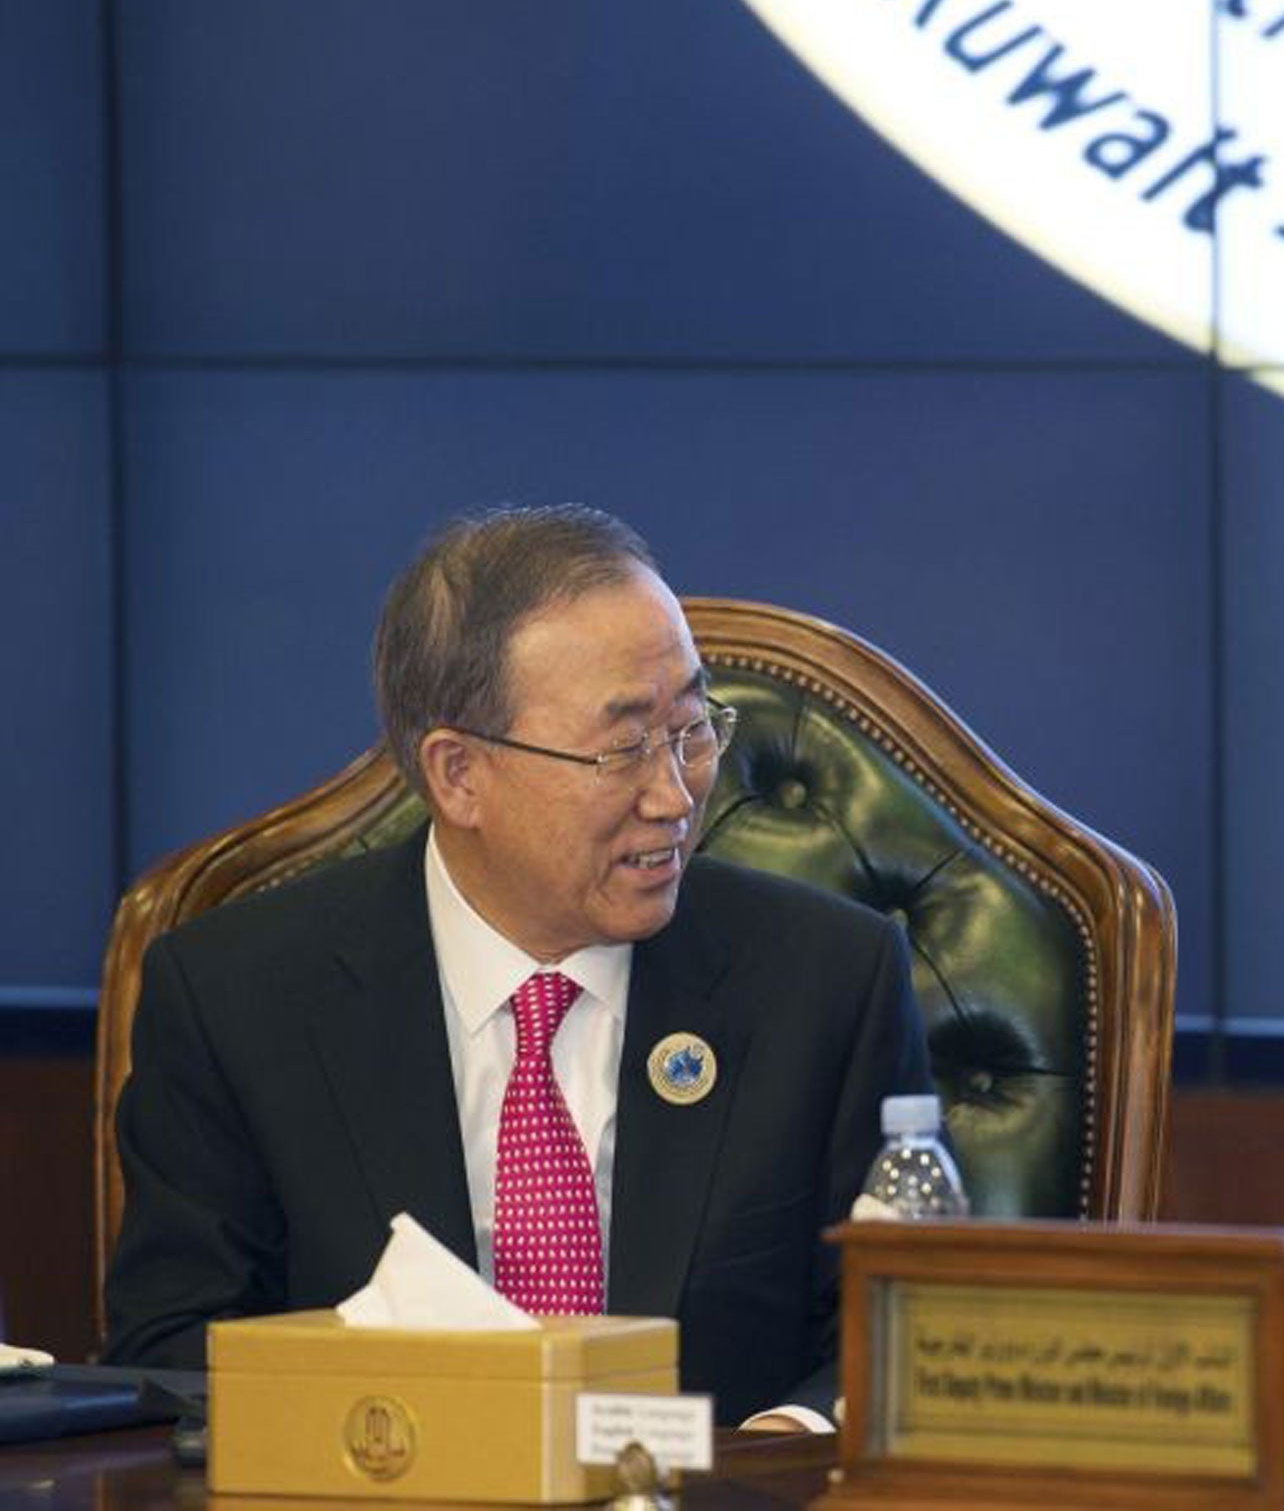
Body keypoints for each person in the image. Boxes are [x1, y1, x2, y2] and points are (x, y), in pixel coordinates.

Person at [104, 504, 932, 1426]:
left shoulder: (826, 981)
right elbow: (175, 1358)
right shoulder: (238, 999)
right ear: (459, 775)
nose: (675, 793)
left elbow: (895, 1330)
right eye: (621, 748)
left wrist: (779, 1449)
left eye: (693, 727)